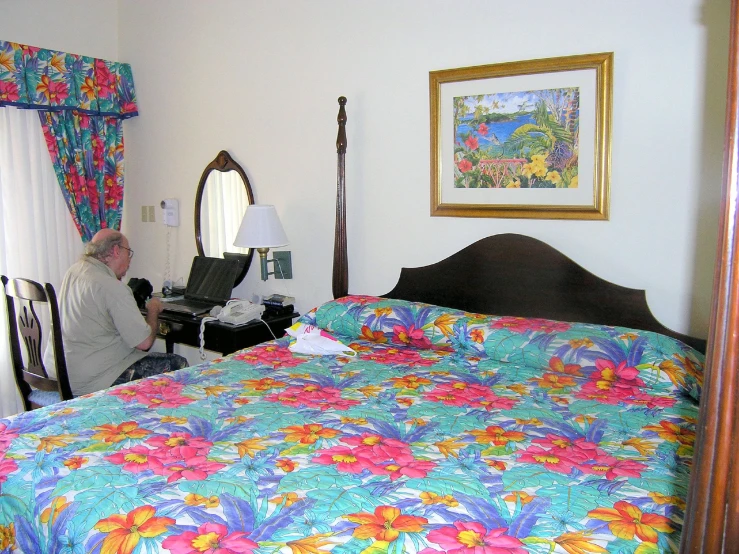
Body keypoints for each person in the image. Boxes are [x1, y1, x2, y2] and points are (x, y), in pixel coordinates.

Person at [48, 228, 188, 396]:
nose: (129, 261)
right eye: (128, 253)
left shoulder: (74, 271)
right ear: (116, 251)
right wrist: (153, 310)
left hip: (58, 369)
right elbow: (144, 344)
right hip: (90, 380)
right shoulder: (112, 287)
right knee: (178, 365)